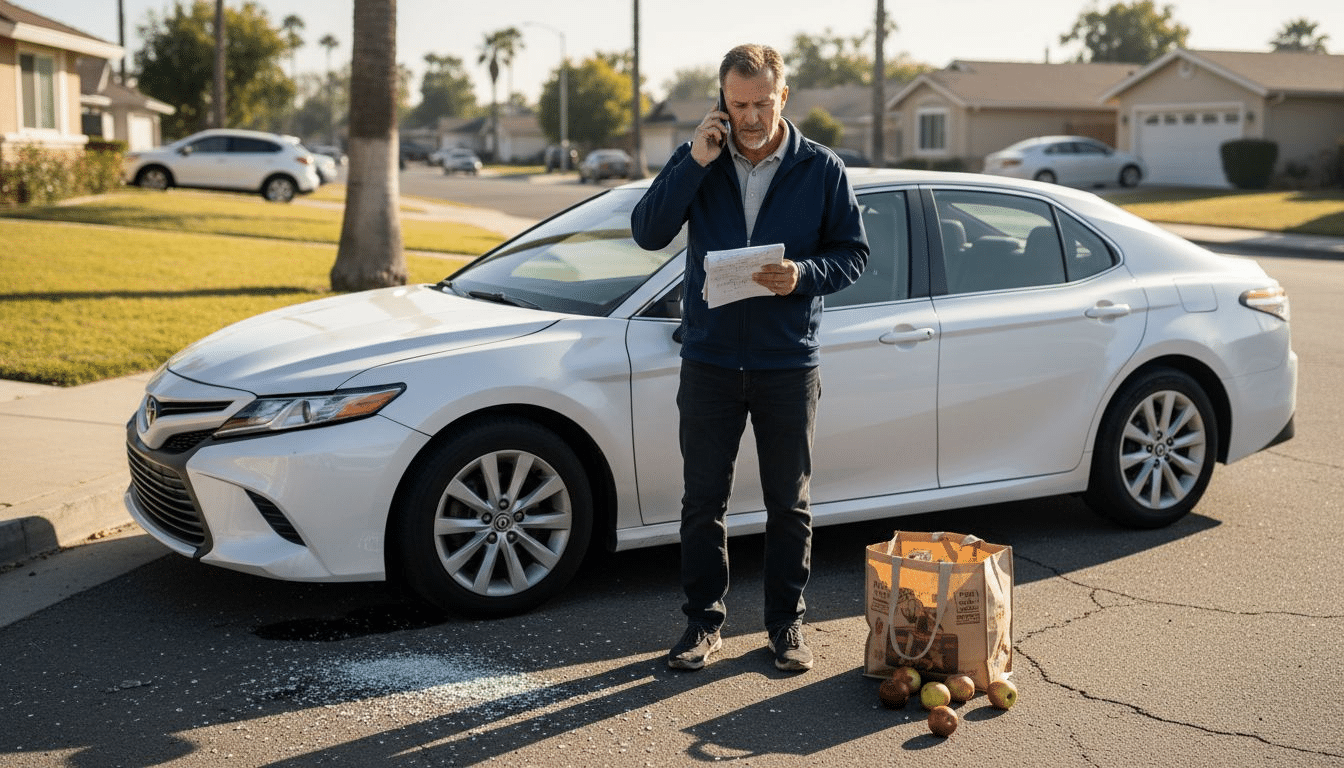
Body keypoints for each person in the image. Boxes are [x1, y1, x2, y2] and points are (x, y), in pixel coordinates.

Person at [630, 44, 869, 673]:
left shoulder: (821, 167)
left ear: (783, 96)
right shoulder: (699, 158)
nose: (752, 117)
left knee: (788, 504)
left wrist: (803, 274)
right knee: (702, 502)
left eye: (763, 103)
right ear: (722, 102)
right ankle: (701, 625)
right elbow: (648, 231)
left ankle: (786, 625)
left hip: (787, 363)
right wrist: (693, 162)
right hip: (709, 361)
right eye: (739, 105)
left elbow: (853, 253)